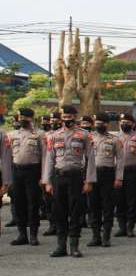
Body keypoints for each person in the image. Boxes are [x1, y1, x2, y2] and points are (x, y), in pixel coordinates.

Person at [42, 105, 96, 258]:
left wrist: (89, 180)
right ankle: (61, 246)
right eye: (64, 117)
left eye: (70, 117)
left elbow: (91, 158)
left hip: (76, 177)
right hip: (59, 177)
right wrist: (47, 181)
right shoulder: (54, 135)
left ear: (75, 117)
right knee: (59, 211)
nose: (67, 120)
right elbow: (49, 159)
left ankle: (74, 246)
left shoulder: (84, 135)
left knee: (75, 211)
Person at [7, 108, 45, 246]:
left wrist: (43, 177)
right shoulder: (12, 134)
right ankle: (22, 234)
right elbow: (8, 156)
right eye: (20, 117)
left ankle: (33, 235)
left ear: (31, 118)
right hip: (17, 171)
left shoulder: (39, 134)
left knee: (33, 203)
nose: (22, 119)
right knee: (18, 203)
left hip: (33, 171)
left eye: (25, 117)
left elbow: (45, 156)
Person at [87, 112, 122, 247]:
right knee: (93, 206)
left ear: (107, 124)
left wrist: (118, 178)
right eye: (97, 123)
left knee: (108, 206)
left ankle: (106, 236)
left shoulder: (114, 140)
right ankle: (96, 236)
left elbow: (120, 160)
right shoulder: (89, 138)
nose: (98, 125)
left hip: (108, 174)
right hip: (92, 174)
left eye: (101, 123)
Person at [115, 113, 136, 238]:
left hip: (133, 171)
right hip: (118, 172)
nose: (125, 124)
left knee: (132, 200)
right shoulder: (115, 137)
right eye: (122, 122)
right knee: (119, 200)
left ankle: (130, 226)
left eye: (128, 122)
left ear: (133, 124)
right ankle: (121, 227)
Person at [41, 111, 62, 237]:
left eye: (56, 120)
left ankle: (63, 225)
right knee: (48, 200)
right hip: (47, 170)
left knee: (61, 200)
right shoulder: (45, 136)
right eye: (52, 121)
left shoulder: (64, 134)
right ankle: (52, 225)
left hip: (60, 170)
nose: (53, 123)